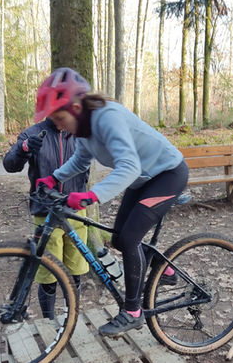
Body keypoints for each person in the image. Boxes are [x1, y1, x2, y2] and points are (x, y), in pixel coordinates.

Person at [35, 67, 189, 337]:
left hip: (168, 175)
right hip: (144, 179)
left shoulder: (108, 118)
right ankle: (163, 269)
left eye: (59, 118)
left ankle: (133, 312)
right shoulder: (83, 129)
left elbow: (129, 166)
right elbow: (80, 161)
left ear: (75, 108)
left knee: (128, 239)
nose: (58, 125)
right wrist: (54, 178)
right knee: (119, 239)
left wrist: (91, 196)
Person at [3, 117, 89, 319]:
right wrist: (23, 148)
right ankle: (49, 322)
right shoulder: (34, 133)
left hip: (76, 211)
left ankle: (71, 318)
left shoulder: (79, 132)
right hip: (46, 213)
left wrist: (82, 189)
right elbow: (10, 164)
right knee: (48, 277)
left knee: (75, 272)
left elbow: (87, 163)